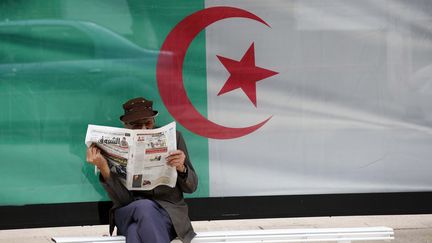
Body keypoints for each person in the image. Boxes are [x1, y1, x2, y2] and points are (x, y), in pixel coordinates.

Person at [86, 97, 198, 243]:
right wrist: (104, 168)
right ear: (125, 125)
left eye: (148, 123)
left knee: (134, 232)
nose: (144, 129)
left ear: (154, 120)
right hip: (129, 211)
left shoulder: (174, 138)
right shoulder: (118, 142)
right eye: (136, 125)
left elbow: (192, 187)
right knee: (144, 207)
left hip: (168, 213)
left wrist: (181, 168)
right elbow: (123, 200)